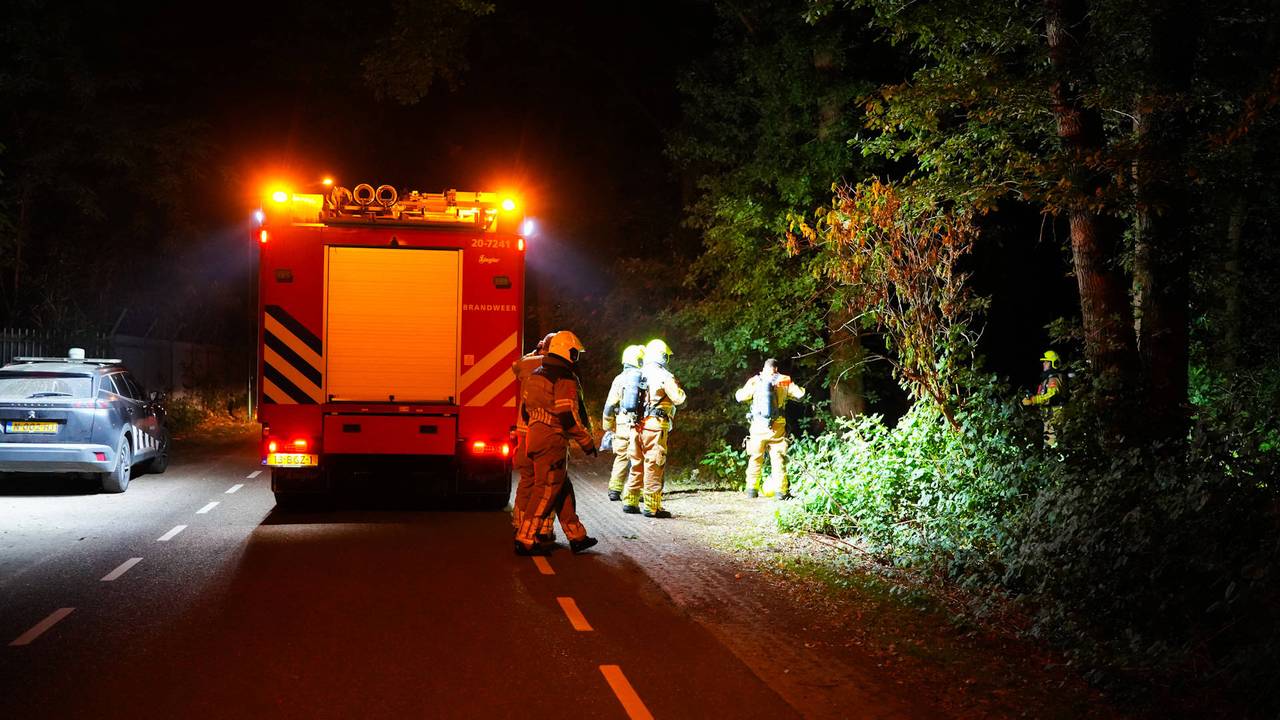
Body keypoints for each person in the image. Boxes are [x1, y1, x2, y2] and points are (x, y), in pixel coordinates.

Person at [514, 330, 599, 555]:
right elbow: (567, 415)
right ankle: (525, 537)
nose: (576, 358)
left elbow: (526, 410)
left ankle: (576, 535)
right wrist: (586, 441)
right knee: (546, 490)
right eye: (574, 353)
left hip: (535, 436)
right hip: (552, 439)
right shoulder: (563, 377)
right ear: (566, 351)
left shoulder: (536, 373)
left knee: (561, 486)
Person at [622, 338, 686, 518]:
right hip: (654, 426)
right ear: (663, 356)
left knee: (636, 463)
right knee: (653, 464)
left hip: (635, 425)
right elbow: (679, 399)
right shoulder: (664, 376)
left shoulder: (637, 373)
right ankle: (651, 507)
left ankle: (630, 501)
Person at [735, 358, 806, 500]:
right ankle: (781, 492)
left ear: (764, 368)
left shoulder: (755, 381)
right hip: (777, 428)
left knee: (755, 458)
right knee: (778, 459)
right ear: (776, 369)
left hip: (757, 427)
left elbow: (740, 397)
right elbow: (800, 395)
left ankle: (751, 490)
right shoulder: (784, 380)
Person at [511, 332, 558, 539]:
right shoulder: (558, 366)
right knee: (548, 483)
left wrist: (536, 350)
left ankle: (519, 522)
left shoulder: (527, 364)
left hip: (524, 431)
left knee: (527, 480)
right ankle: (544, 528)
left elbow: (517, 366)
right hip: (546, 431)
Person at [601, 344, 646, 502]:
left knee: (621, 457)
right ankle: (637, 492)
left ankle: (614, 490)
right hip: (639, 424)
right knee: (638, 457)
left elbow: (610, 405)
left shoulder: (619, 379)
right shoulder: (643, 377)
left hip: (621, 423)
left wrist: (607, 426)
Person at [1022, 349, 1066, 447]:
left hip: (1055, 414)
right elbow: (1043, 394)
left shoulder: (1053, 378)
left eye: (1046, 362)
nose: (1044, 364)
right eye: (1044, 362)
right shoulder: (1047, 378)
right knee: (1048, 443)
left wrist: (1033, 400)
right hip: (1048, 415)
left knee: (1052, 444)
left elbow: (1052, 394)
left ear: (1053, 363)